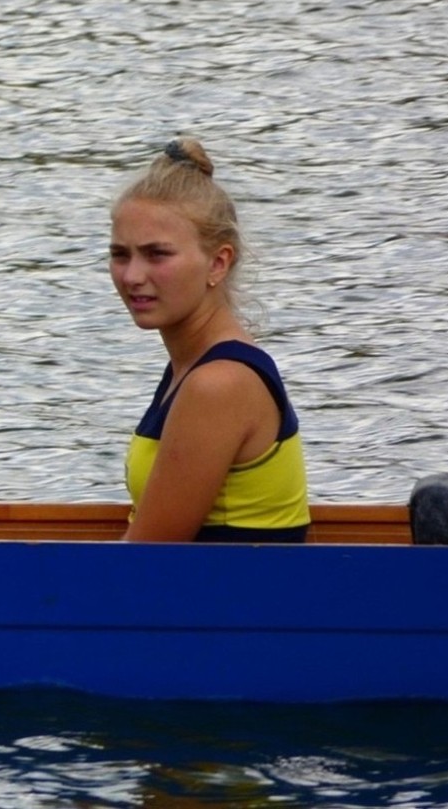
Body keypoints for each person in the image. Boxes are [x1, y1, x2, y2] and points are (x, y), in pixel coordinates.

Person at [109, 137, 310, 543]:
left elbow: (141, 563)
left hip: (231, 588)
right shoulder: (192, 367)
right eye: (120, 254)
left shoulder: (218, 385)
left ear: (218, 262)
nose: (132, 276)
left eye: (157, 254)